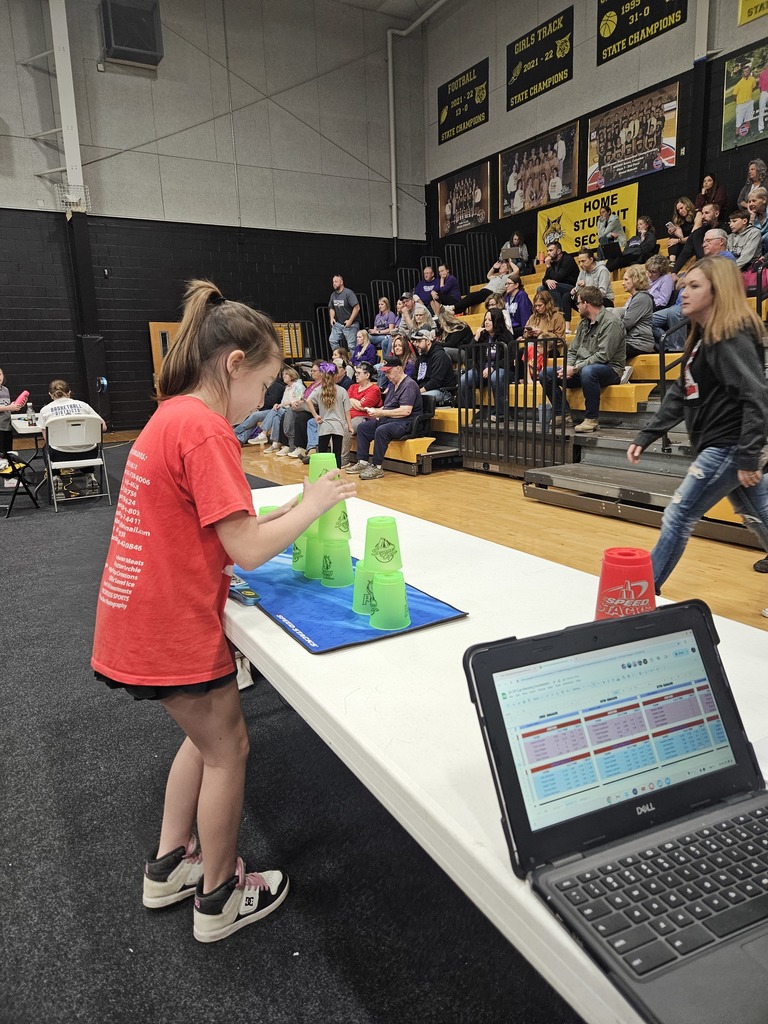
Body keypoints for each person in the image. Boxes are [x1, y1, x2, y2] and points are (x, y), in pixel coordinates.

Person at [91, 279, 356, 944]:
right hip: (170, 624)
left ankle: (170, 864)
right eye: (263, 386)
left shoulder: (172, 415)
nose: (263, 401)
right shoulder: (205, 429)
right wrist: (313, 504)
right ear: (235, 364)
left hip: (138, 616)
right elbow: (249, 550)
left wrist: (289, 509)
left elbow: (219, 527)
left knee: (203, 740)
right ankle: (219, 896)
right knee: (228, 749)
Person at [627, 257, 768, 599]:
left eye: (694, 286)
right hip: (725, 446)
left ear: (717, 291)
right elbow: (681, 393)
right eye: (684, 286)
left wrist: (748, 455)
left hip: (728, 446)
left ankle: (641, 595)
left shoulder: (729, 336)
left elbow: (756, 396)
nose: (684, 293)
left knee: (678, 515)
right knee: (761, 515)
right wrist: (647, 434)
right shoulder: (704, 338)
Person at [539, 286, 625, 433]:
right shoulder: (584, 323)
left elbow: (603, 356)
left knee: (589, 371)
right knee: (546, 374)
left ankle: (591, 419)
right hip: (582, 368)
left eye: (578, 303)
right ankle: (562, 414)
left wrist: (575, 368)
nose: (576, 306)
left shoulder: (611, 323)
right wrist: (568, 367)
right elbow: (573, 350)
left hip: (610, 369)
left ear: (586, 304)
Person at [346, 356, 423, 480]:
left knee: (382, 430)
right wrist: (376, 411)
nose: (386, 375)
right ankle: (363, 462)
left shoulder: (409, 385)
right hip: (390, 419)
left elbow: (406, 411)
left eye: (388, 371)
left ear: (398, 368)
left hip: (405, 422)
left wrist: (380, 413)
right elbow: (388, 406)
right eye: (385, 372)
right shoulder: (392, 385)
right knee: (363, 427)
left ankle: (377, 467)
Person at [37, 379, 107, 497]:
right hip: (89, 454)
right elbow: (103, 427)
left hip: (60, 455)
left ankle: (55, 477)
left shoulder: (45, 410)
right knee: (85, 443)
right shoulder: (84, 405)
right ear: (69, 392)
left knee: (46, 448)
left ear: (50, 394)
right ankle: (89, 475)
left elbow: (47, 439)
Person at [459, 308, 515, 421]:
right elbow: (468, 355)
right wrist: (476, 338)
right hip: (482, 371)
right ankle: (470, 413)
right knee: (464, 380)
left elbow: (509, 358)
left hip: (502, 369)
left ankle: (501, 414)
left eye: (490, 320)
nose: (486, 322)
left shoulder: (506, 336)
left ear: (497, 321)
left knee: (496, 377)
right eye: (485, 319)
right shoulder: (482, 336)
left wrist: (493, 368)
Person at [305, 360, 353, 468]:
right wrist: (350, 426)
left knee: (322, 452)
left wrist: (316, 416)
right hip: (338, 426)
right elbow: (347, 411)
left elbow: (308, 400)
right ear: (335, 375)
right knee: (337, 453)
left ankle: (322, 473)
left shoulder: (319, 390)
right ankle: (337, 474)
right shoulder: (342, 390)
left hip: (324, 425)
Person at [249, 366, 303, 446]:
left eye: (286, 374)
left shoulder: (298, 386)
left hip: (294, 411)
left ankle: (263, 433)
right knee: (276, 417)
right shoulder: (287, 388)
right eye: (283, 374)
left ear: (292, 375)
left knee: (275, 411)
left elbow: (300, 401)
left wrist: (288, 403)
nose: (283, 376)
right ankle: (275, 443)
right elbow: (283, 403)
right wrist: (278, 405)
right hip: (285, 410)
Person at [345, 360, 383, 466]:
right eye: (355, 372)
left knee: (345, 428)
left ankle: (343, 461)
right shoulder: (353, 387)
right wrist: (355, 402)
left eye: (359, 373)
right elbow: (345, 401)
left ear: (367, 375)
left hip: (364, 418)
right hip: (348, 415)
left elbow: (363, 407)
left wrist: (351, 400)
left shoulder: (374, 389)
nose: (355, 375)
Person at [234, 371, 286, 445]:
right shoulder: (268, 385)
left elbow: (272, 401)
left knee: (255, 416)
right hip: (265, 409)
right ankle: (240, 439)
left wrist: (259, 403)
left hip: (272, 410)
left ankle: (235, 432)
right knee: (250, 417)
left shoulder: (277, 386)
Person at [672, 202, 722, 273]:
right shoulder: (696, 234)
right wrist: (674, 272)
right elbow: (685, 253)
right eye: (702, 213)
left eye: (707, 213)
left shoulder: (725, 230)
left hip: (719, 267)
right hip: (701, 269)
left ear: (716, 214)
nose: (703, 217)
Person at [619, 265, 655, 361]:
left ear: (636, 280)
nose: (623, 283)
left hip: (638, 343)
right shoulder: (638, 297)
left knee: (605, 352)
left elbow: (626, 323)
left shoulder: (641, 298)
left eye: (626, 280)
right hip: (633, 341)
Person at [411, 329, 456, 405]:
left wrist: (418, 392)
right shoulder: (421, 358)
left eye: (419, 341)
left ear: (428, 341)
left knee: (415, 398)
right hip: (426, 390)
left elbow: (435, 382)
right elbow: (414, 378)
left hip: (442, 391)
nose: (416, 344)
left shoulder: (440, 356)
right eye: (416, 341)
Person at [538, 242, 578, 318]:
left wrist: (548, 265)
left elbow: (558, 278)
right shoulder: (552, 262)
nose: (548, 253)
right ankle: (544, 316)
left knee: (553, 286)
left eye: (551, 250)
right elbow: (544, 279)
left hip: (572, 287)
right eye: (547, 251)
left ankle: (559, 316)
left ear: (558, 251)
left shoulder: (568, 260)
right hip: (558, 286)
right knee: (541, 289)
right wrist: (547, 281)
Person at [327, 275, 360, 350]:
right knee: (332, 340)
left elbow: (357, 307)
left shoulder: (348, 293)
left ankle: (355, 358)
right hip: (339, 324)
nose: (334, 283)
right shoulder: (333, 295)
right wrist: (332, 317)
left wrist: (350, 320)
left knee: (352, 346)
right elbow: (331, 308)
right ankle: (340, 356)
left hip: (351, 324)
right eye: (333, 282)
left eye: (336, 281)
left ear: (341, 282)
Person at [501, 271, 534, 337]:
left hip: (519, 328)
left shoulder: (522, 295)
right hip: (509, 328)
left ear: (516, 285)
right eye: (505, 284)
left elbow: (525, 315)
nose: (506, 286)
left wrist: (524, 333)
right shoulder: (506, 297)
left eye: (509, 284)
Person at [0, 367, 24, 458]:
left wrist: (15, 406)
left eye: (0, 374)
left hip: (6, 426)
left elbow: (6, 408)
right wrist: (9, 407)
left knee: (8, 453)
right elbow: (7, 407)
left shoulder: (5, 390)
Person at [665, 196, 696, 261]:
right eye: (678, 210)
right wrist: (675, 232)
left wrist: (678, 240)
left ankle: (672, 261)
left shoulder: (696, 216)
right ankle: (672, 261)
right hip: (683, 244)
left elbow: (693, 237)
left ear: (687, 205)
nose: (680, 211)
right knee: (673, 237)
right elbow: (681, 237)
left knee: (675, 240)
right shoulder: (680, 221)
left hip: (693, 244)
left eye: (681, 208)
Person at [733, 65, 758, 138]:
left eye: (748, 71)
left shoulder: (752, 79)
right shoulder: (739, 84)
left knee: (748, 118)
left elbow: (753, 87)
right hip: (741, 104)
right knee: (739, 120)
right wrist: (739, 101)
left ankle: (748, 131)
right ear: (742, 73)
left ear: (749, 71)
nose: (746, 72)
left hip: (749, 102)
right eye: (745, 71)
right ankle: (737, 135)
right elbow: (734, 95)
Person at [747, 187, 768, 253]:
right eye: (749, 202)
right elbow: (748, 236)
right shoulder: (749, 216)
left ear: (764, 200)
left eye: (754, 201)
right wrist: (752, 218)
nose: (751, 204)